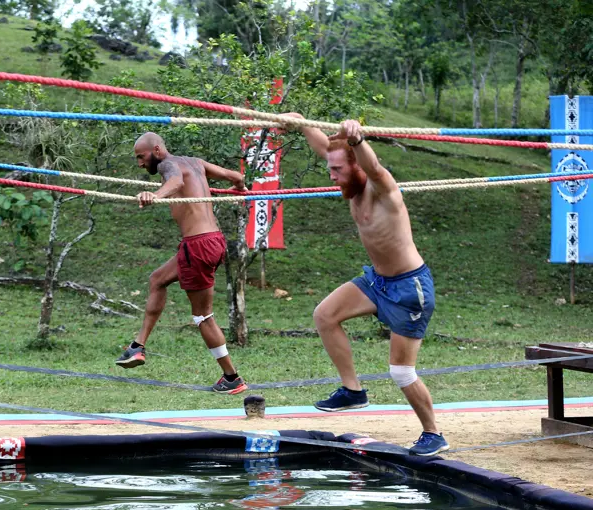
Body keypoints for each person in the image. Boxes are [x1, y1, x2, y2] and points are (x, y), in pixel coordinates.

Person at [284, 114, 448, 456]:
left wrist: (358, 140)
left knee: (402, 373)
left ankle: (433, 433)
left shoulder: (382, 188)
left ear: (357, 163)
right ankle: (353, 390)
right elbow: (325, 148)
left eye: (338, 170)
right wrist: (300, 122)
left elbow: (373, 166)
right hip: (377, 281)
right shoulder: (351, 185)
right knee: (325, 315)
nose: (332, 176)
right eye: (330, 170)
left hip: (409, 289)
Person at [115, 132, 249, 394]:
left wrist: (156, 195)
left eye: (141, 157)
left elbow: (175, 181)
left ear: (156, 149)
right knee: (158, 279)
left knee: (203, 317)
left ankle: (231, 377)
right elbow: (237, 177)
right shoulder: (196, 163)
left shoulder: (167, 164)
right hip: (212, 241)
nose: (140, 164)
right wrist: (240, 190)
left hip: (197, 245)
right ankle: (137, 347)